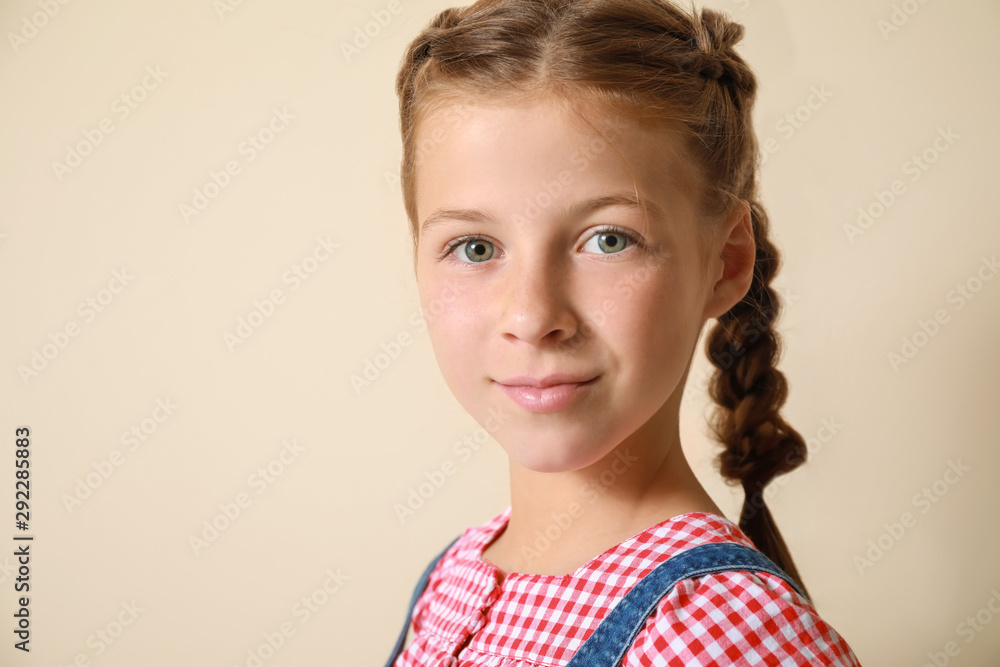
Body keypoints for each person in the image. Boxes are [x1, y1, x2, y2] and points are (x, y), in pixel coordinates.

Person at [389, 0, 861, 664]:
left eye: (608, 239)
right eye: (473, 247)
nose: (531, 315)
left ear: (725, 261)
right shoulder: (454, 575)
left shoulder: (722, 636)